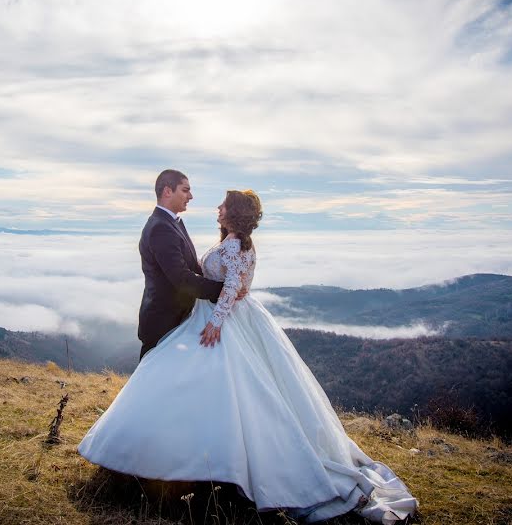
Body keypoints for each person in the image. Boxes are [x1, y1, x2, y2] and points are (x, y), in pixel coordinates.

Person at [79, 189, 418, 523]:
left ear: (233, 212)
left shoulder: (232, 244)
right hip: (222, 314)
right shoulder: (236, 241)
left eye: (222, 205)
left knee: (228, 385)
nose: (217, 207)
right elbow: (231, 283)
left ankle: (207, 463)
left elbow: (231, 287)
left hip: (222, 319)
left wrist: (214, 322)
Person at [136, 169, 226, 360]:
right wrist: (223, 290)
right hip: (163, 324)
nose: (191, 196)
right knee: (152, 384)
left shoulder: (172, 223)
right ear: (168, 191)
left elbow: (192, 266)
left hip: (178, 321)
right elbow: (182, 279)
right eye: (185, 190)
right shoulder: (161, 227)